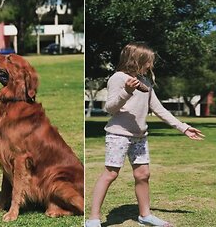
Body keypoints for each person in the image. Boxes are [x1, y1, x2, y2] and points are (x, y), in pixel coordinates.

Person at [85, 42, 205, 227]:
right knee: (110, 174)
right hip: (118, 135)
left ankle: (145, 215)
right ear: (136, 59)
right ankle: (93, 219)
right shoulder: (117, 78)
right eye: (148, 61)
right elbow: (110, 108)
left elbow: (159, 109)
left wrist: (183, 127)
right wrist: (127, 91)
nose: (150, 65)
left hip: (139, 136)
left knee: (143, 174)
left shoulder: (146, 82)